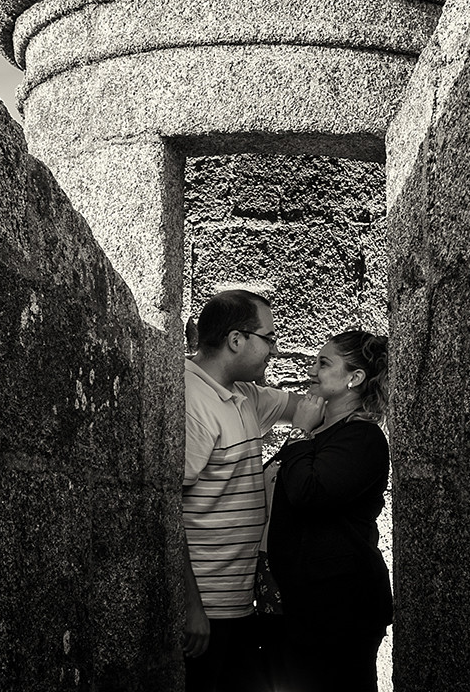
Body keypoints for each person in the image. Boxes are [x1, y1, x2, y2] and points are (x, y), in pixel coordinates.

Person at [183, 289, 301, 692]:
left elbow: (312, 409)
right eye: (268, 338)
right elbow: (165, 510)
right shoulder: (191, 400)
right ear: (236, 340)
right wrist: (191, 606)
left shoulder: (245, 395)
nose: (274, 349)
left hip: (239, 606)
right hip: (206, 611)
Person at [265, 330, 393, 692]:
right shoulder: (324, 434)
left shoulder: (363, 439)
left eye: (323, 363)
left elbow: (310, 492)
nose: (311, 370)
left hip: (339, 608)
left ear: (354, 379)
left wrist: (300, 432)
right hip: (302, 604)